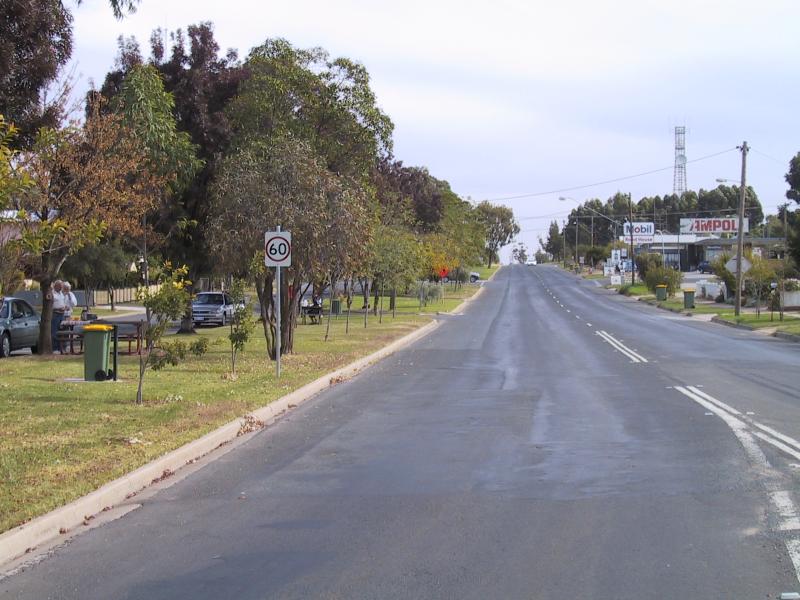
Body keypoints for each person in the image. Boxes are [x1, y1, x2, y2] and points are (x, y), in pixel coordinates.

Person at [50, 280, 66, 353]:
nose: (61, 287)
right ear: (56, 286)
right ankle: (55, 348)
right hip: (55, 314)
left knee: (62, 331)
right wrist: (58, 308)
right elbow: (50, 306)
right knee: (55, 331)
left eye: (62, 286)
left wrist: (64, 307)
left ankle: (62, 348)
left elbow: (62, 302)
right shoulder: (52, 293)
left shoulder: (61, 294)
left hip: (62, 314)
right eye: (60, 286)